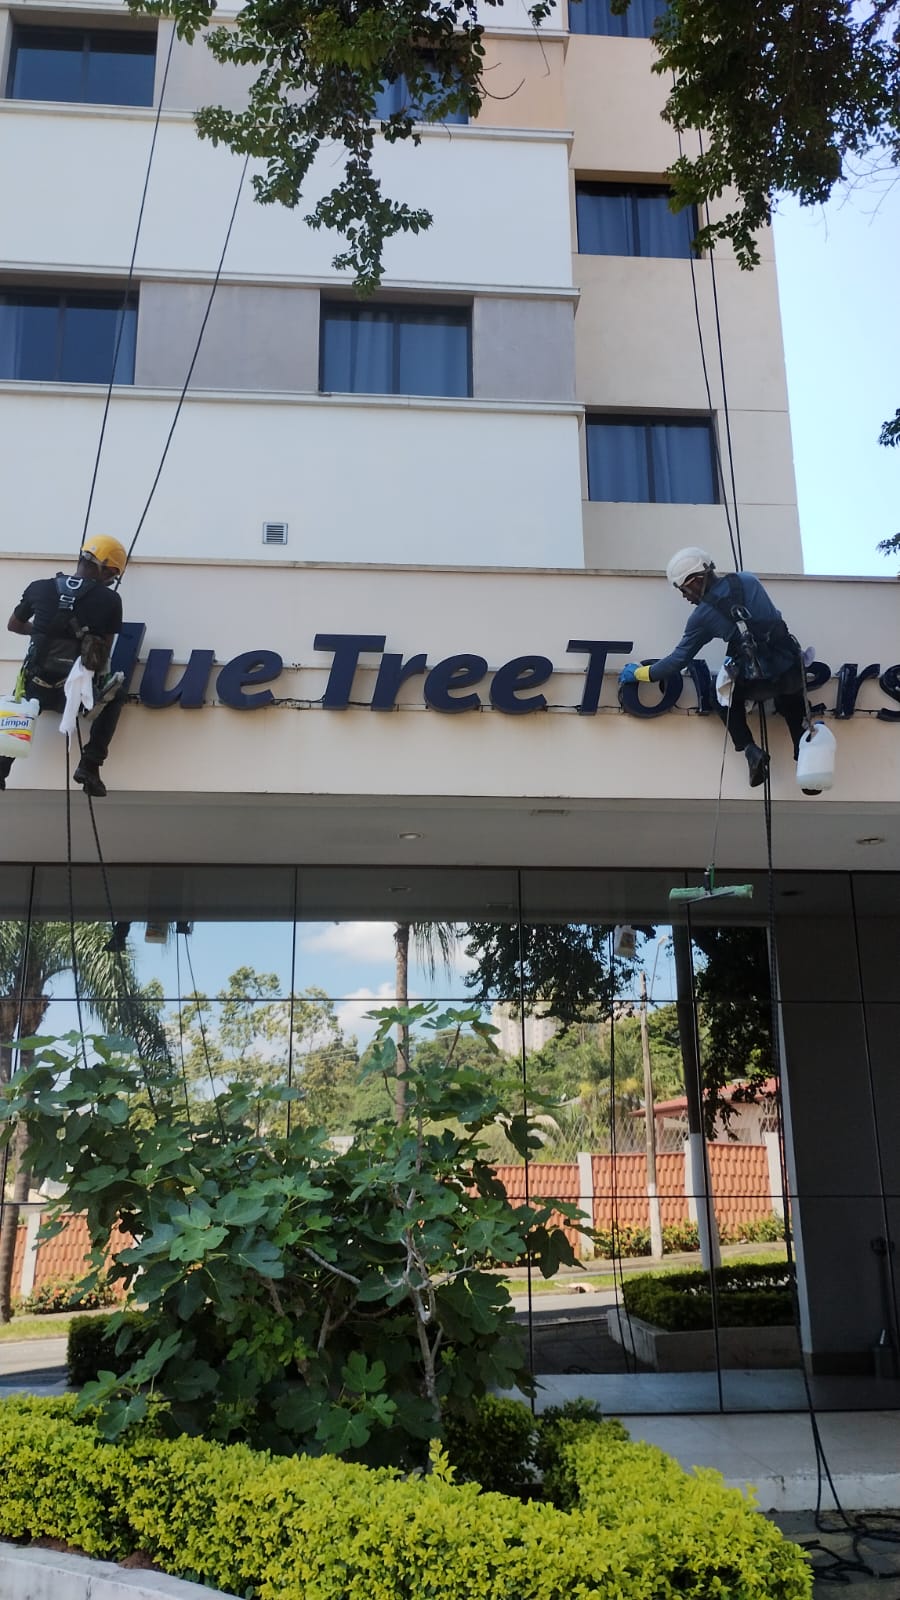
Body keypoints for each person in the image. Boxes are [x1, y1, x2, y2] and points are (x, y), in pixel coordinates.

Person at [618, 547, 809, 790]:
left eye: (684, 590)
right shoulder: (748, 580)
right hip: (792, 669)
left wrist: (639, 673)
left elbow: (678, 660)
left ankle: (750, 750)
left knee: (719, 697)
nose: (685, 597)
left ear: (696, 581)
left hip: (756, 681)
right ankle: (804, 755)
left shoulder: (702, 617)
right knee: (792, 700)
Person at [0, 534, 128, 799]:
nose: (111, 581)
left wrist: (42, 632)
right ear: (106, 570)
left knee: (20, 698)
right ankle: (90, 765)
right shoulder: (110, 600)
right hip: (76, 692)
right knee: (117, 696)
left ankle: (1, 767)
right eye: (113, 576)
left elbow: (14, 625)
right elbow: (103, 651)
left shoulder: (39, 587)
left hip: (36, 686)